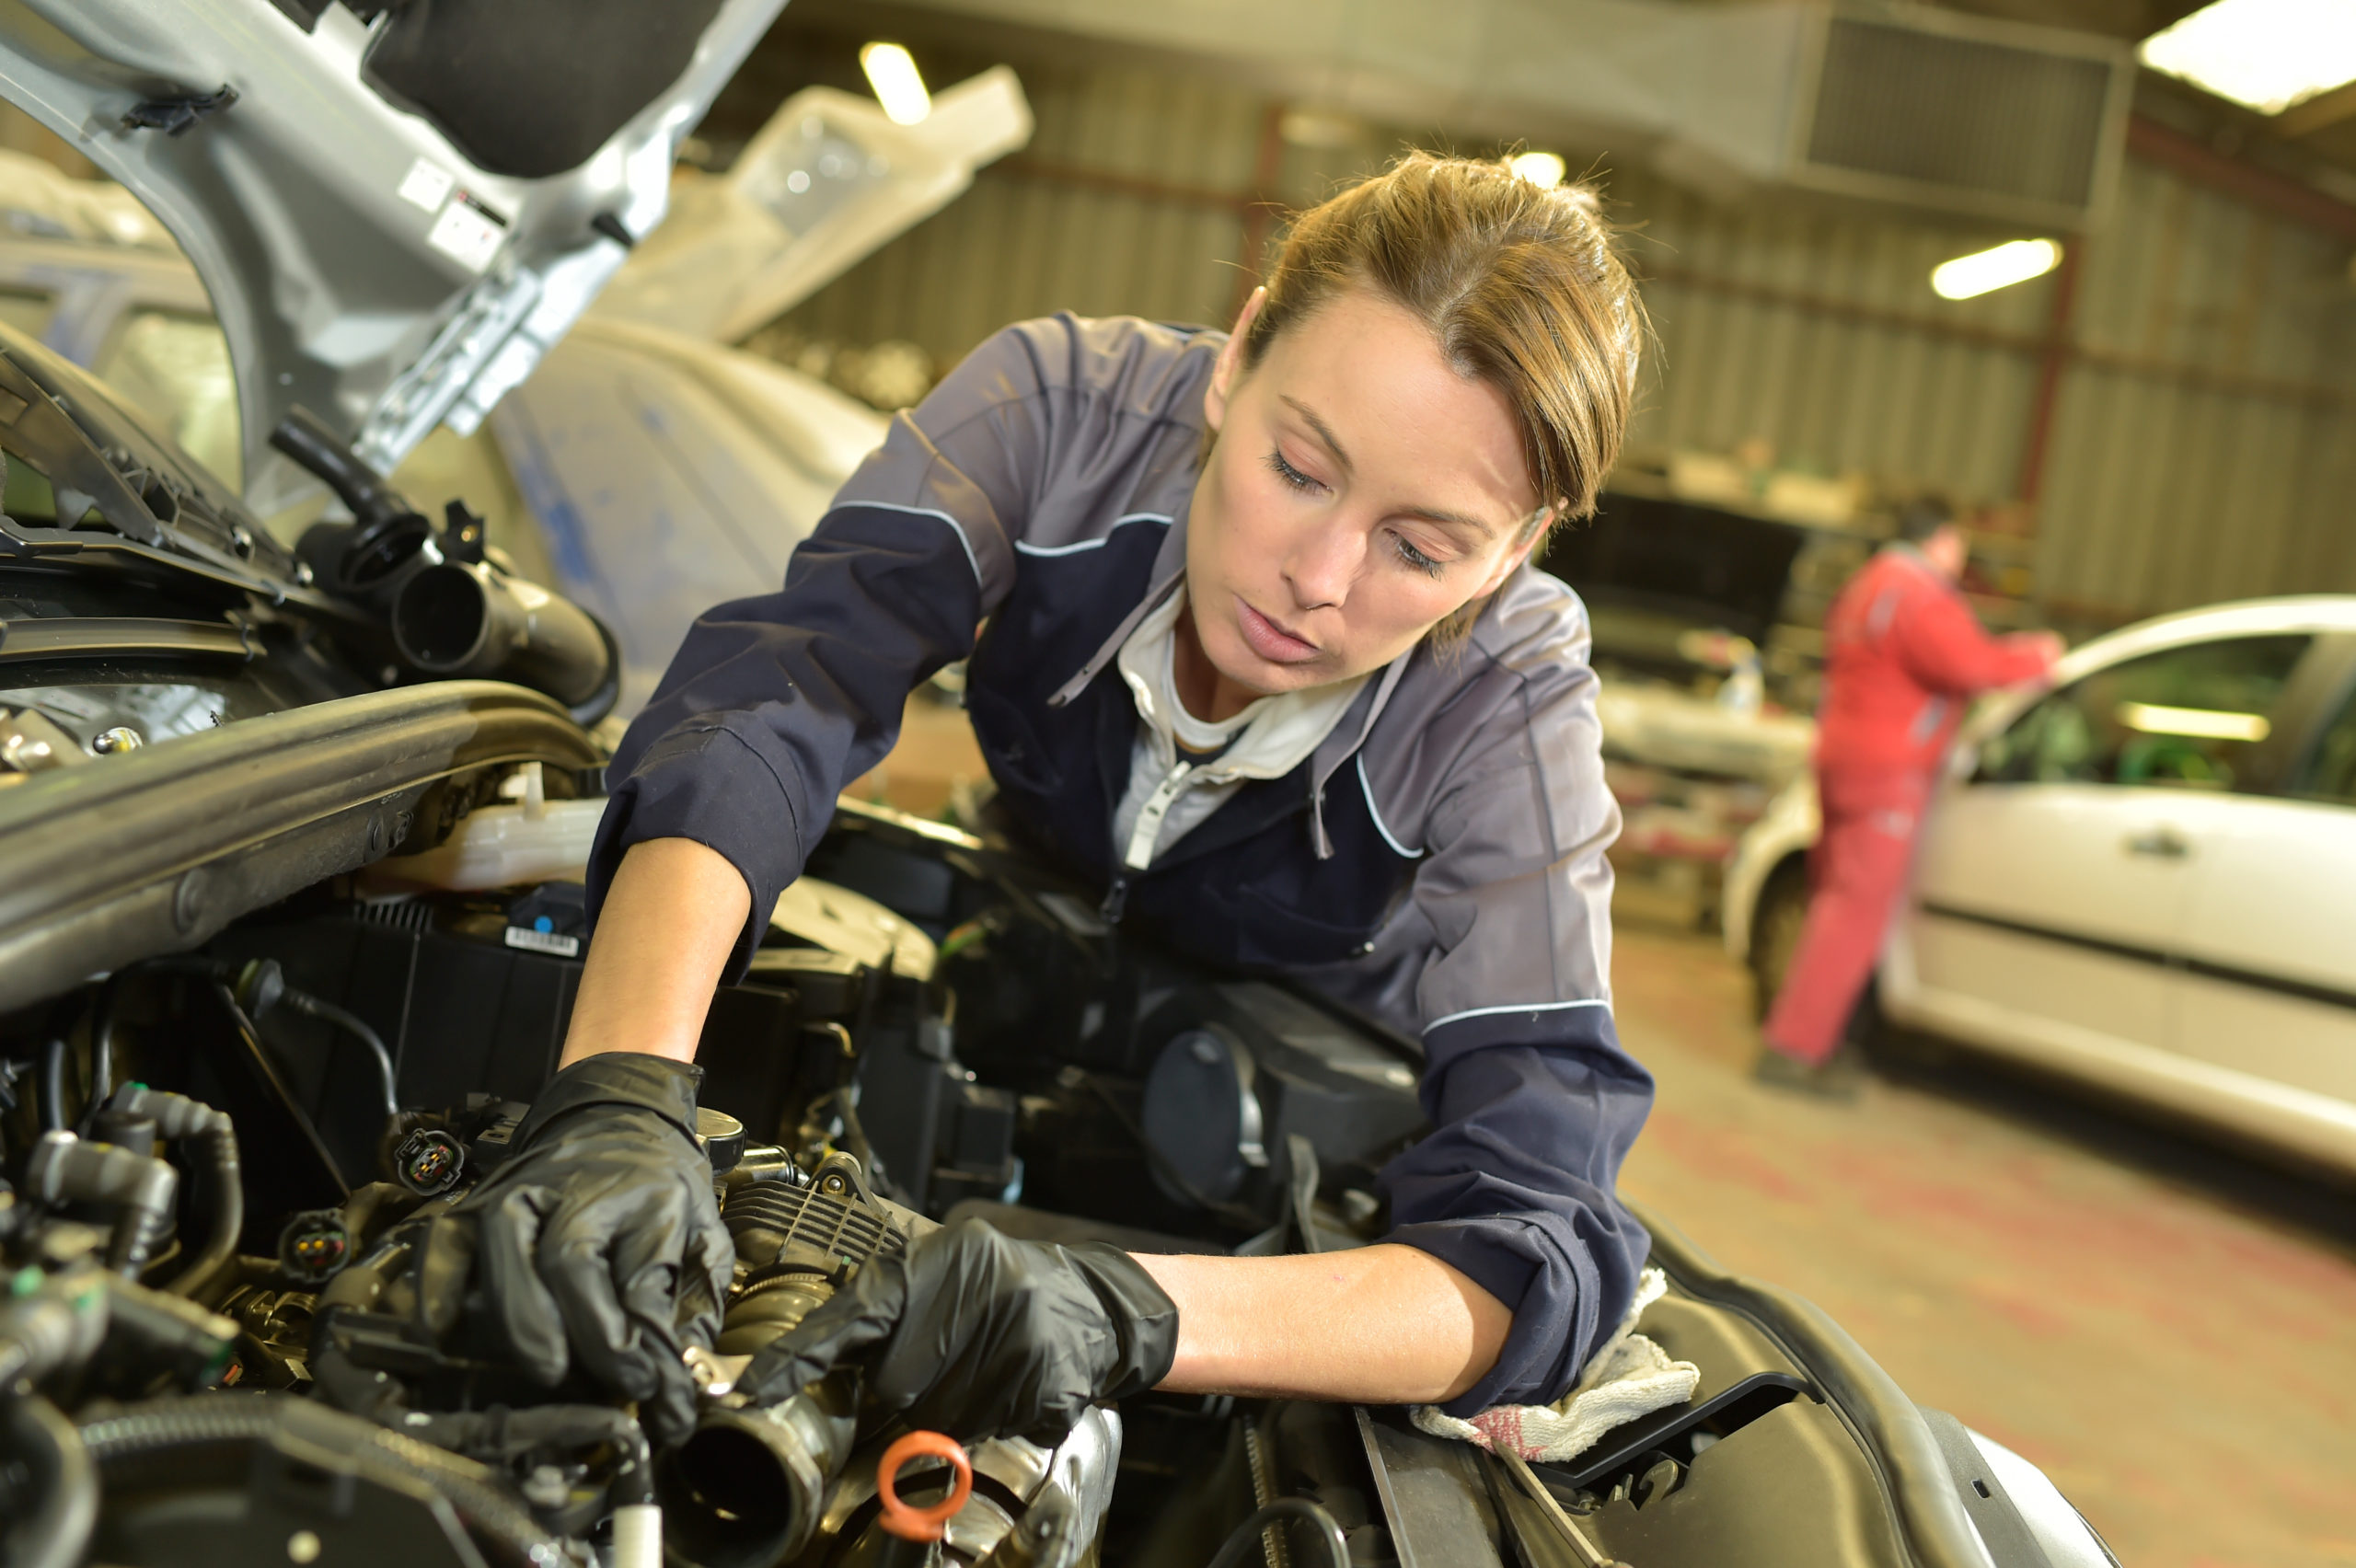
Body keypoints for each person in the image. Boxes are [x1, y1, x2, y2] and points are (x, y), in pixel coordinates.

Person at [420, 153, 1656, 1450]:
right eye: (1298, 469)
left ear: (1513, 550)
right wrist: (620, 1084)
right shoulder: (1059, 413)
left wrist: (1136, 1313)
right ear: (1237, 361)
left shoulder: (1509, 697)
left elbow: (1535, 1234)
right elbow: (786, 693)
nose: (1321, 578)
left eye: (1422, 549)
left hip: (1274, 1168)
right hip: (1017, 972)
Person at [1755, 499, 2062, 1097]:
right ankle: (1793, 1050)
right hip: (1888, 773)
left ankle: (1814, 1039)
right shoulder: (1920, 594)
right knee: (1853, 915)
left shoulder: (1866, 586)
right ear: (1944, 540)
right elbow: (1974, 666)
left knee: (1831, 902)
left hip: (1842, 759)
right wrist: (2040, 655)